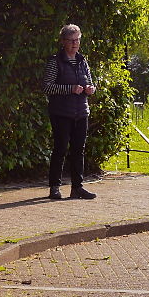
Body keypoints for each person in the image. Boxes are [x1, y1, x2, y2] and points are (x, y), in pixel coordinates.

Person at [43, 23, 97, 200]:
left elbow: (89, 81)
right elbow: (47, 87)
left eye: (77, 40)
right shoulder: (55, 61)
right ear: (63, 41)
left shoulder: (82, 61)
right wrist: (70, 88)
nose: (75, 44)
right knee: (60, 149)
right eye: (71, 40)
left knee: (78, 150)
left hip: (81, 112)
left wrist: (90, 89)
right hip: (61, 113)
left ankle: (77, 187)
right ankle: (54, 187)